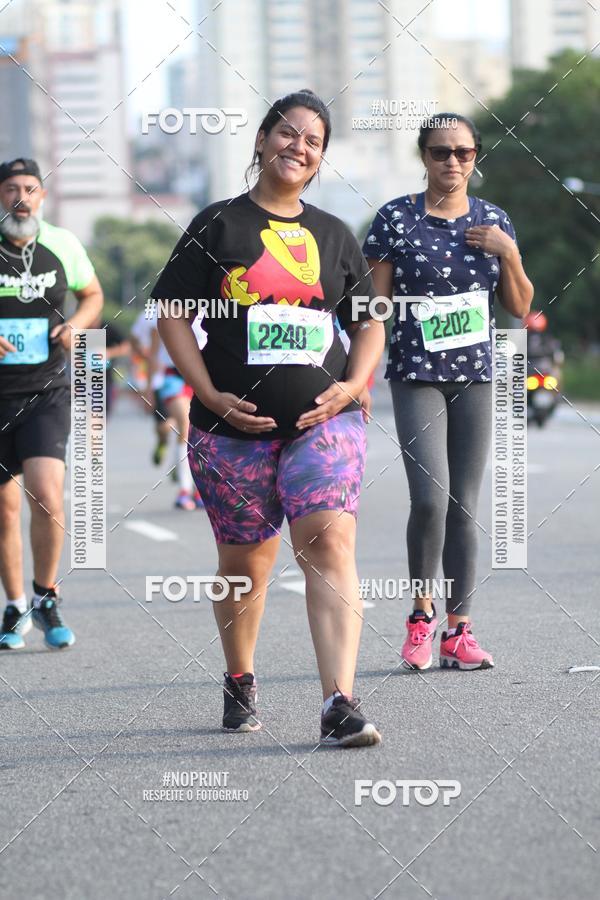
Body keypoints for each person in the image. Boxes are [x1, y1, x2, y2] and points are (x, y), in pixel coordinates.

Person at [153, 89, 385, 746]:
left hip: (325, 421)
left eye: (313, 141)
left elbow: (368, 323)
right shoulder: (218, 225)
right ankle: (240, 677)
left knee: (328, 540)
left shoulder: (335, 235)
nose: (298, 147)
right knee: (246, 563)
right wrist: (209, 393)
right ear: (260, 141)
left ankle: (339, 702)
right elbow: (171, 314)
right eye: (288, 133)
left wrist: (352, 387)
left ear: (319, 160)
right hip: (229, 429)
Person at [363, 114, 533, 671]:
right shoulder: (396, 218)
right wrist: (356, 378)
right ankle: (420, 615)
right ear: (424, 156)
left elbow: (520, 306)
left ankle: (459, 630)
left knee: (465, 504)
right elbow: (374, 309)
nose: (452, 162)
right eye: (440, 152)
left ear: (476, 156)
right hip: (417, 374)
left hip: (477, 376)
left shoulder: (494, 220)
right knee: (430, 498)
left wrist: (507, 252)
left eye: (462, 152)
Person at [0, 158, 103, 649]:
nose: (21, 197)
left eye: (30, 188)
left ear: (42, 196)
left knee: (46, 492)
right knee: (4, 511)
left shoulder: (62, 244)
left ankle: (45, 596)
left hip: (46, 390)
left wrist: (77, 325)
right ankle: (15, 608)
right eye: (10, 189)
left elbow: (93, 294)